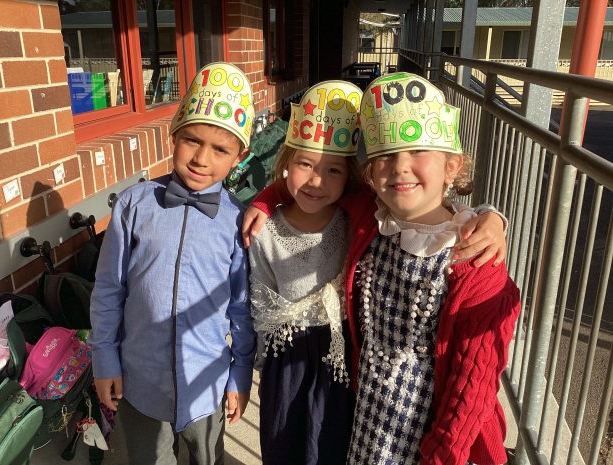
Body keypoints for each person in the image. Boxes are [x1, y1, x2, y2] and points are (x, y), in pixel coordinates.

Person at [341, 72, 521, 465]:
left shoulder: (475, 261)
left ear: (452, 167)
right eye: (385, 155)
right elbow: (314, 188)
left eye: (418, 151)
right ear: (370, 174)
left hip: (432, 434)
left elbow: (472, 387)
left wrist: (443, 456)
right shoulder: (373, 220)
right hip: (370, 415)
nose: (400, 167)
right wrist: (266, 201)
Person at [89, 62, 256, 465]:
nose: (201, 158)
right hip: (140, 381)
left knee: (207, 457)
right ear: (174, 134)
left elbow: (242, 308)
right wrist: (104, 358)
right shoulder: (133, 205)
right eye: (192, 140)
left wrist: (240, 373)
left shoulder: (238, 220)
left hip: (206, 385)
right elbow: (109, 288)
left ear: (240, 156)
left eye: (220, 149)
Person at [248, 80, 363, 465]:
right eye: (305, 164)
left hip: (338, 357)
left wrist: (488, 218)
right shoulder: (264, 232)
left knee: (330, 443)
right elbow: (262, 306)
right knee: (284, 441)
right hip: (286, 360)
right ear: (286, 163)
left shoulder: (355, 222)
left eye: (334, 170)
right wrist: (262, 366)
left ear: (349, 176)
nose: (317, 181)